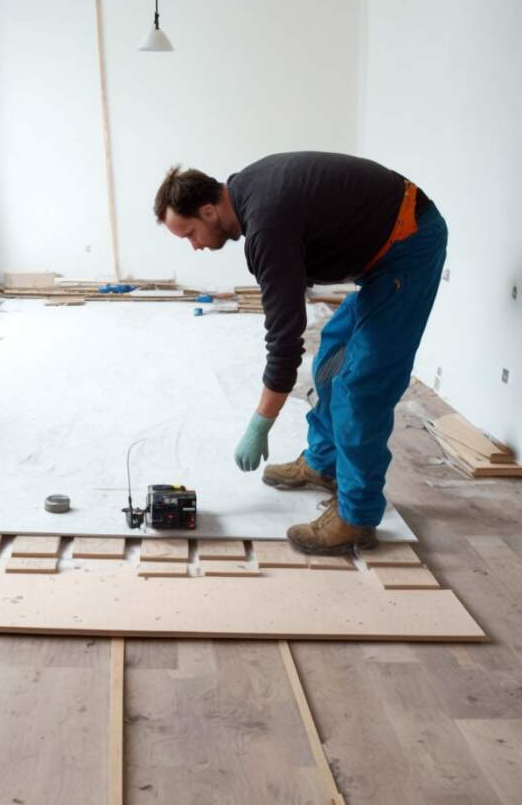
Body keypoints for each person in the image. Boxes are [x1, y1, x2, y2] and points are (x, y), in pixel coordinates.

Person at [153, 152, 448, 555]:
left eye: (189, 234)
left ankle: (356, 518)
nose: (194, 247)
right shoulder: (247, 192)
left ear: (208, 211)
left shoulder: (265, 226)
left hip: (409, 244)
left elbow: (285, 340)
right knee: (331, 358)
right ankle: (324, 463)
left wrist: (260, 423)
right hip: (385, 249)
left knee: (361, 385)